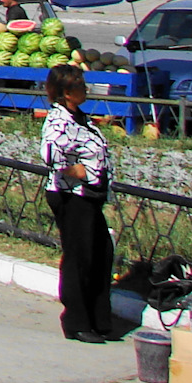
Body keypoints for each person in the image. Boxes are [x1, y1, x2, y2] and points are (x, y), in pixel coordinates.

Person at [40, 64, 114, 342]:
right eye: (80, 87)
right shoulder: (59, 120)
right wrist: (76, 172)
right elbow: (49, 154)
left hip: (89, 197)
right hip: (72, 196)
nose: (85, 90)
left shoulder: (80, 117)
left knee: (101, 253)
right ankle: (77, 322)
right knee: (79, 258)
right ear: (66, 93)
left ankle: (98, 319)